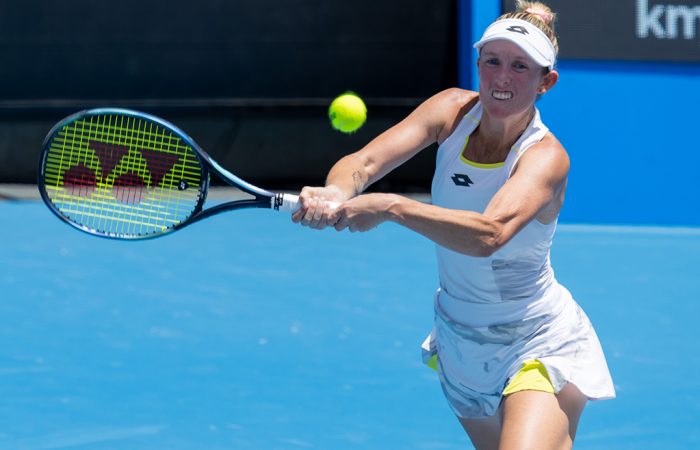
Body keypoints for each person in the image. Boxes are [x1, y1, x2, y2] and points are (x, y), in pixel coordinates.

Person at [292, 1, 615, 449]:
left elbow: (490, 234)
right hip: (461, 344)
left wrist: (391, 207)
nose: (503, 78)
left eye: (521, 67)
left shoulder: (546, 158)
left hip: (536, 338)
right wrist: (336, 192)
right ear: (478, 63)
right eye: (493, 61)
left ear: (546, 81)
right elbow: (363, 163)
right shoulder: (451, 110)